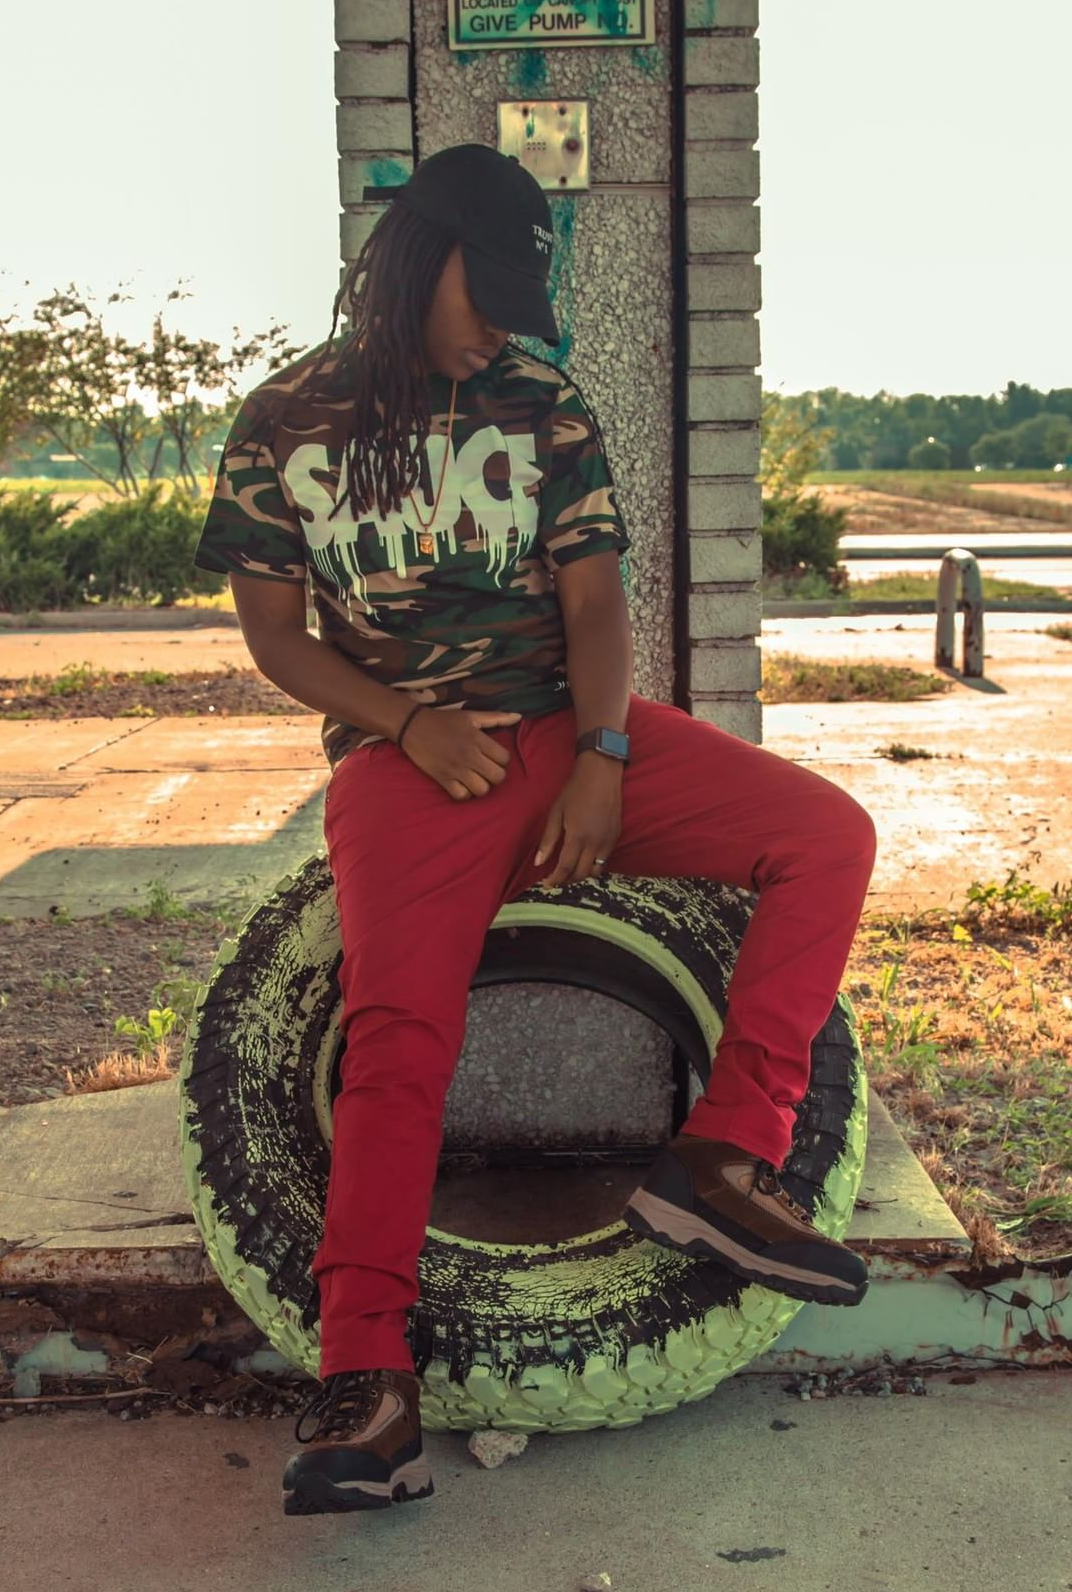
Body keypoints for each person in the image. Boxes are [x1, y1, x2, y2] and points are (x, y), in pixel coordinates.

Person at [192, 143, 877, 1517]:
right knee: (397, 1034)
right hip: (409, 771)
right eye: (486, 291)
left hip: (569, 734)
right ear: (415, 259)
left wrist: (605, 758)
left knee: (828, 836)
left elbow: (595, 601)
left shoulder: (538, 396)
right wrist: (405, 724)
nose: (500, 322)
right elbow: (275, 636)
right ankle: (368, 1385)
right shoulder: (284, 420)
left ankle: (720, 1157)